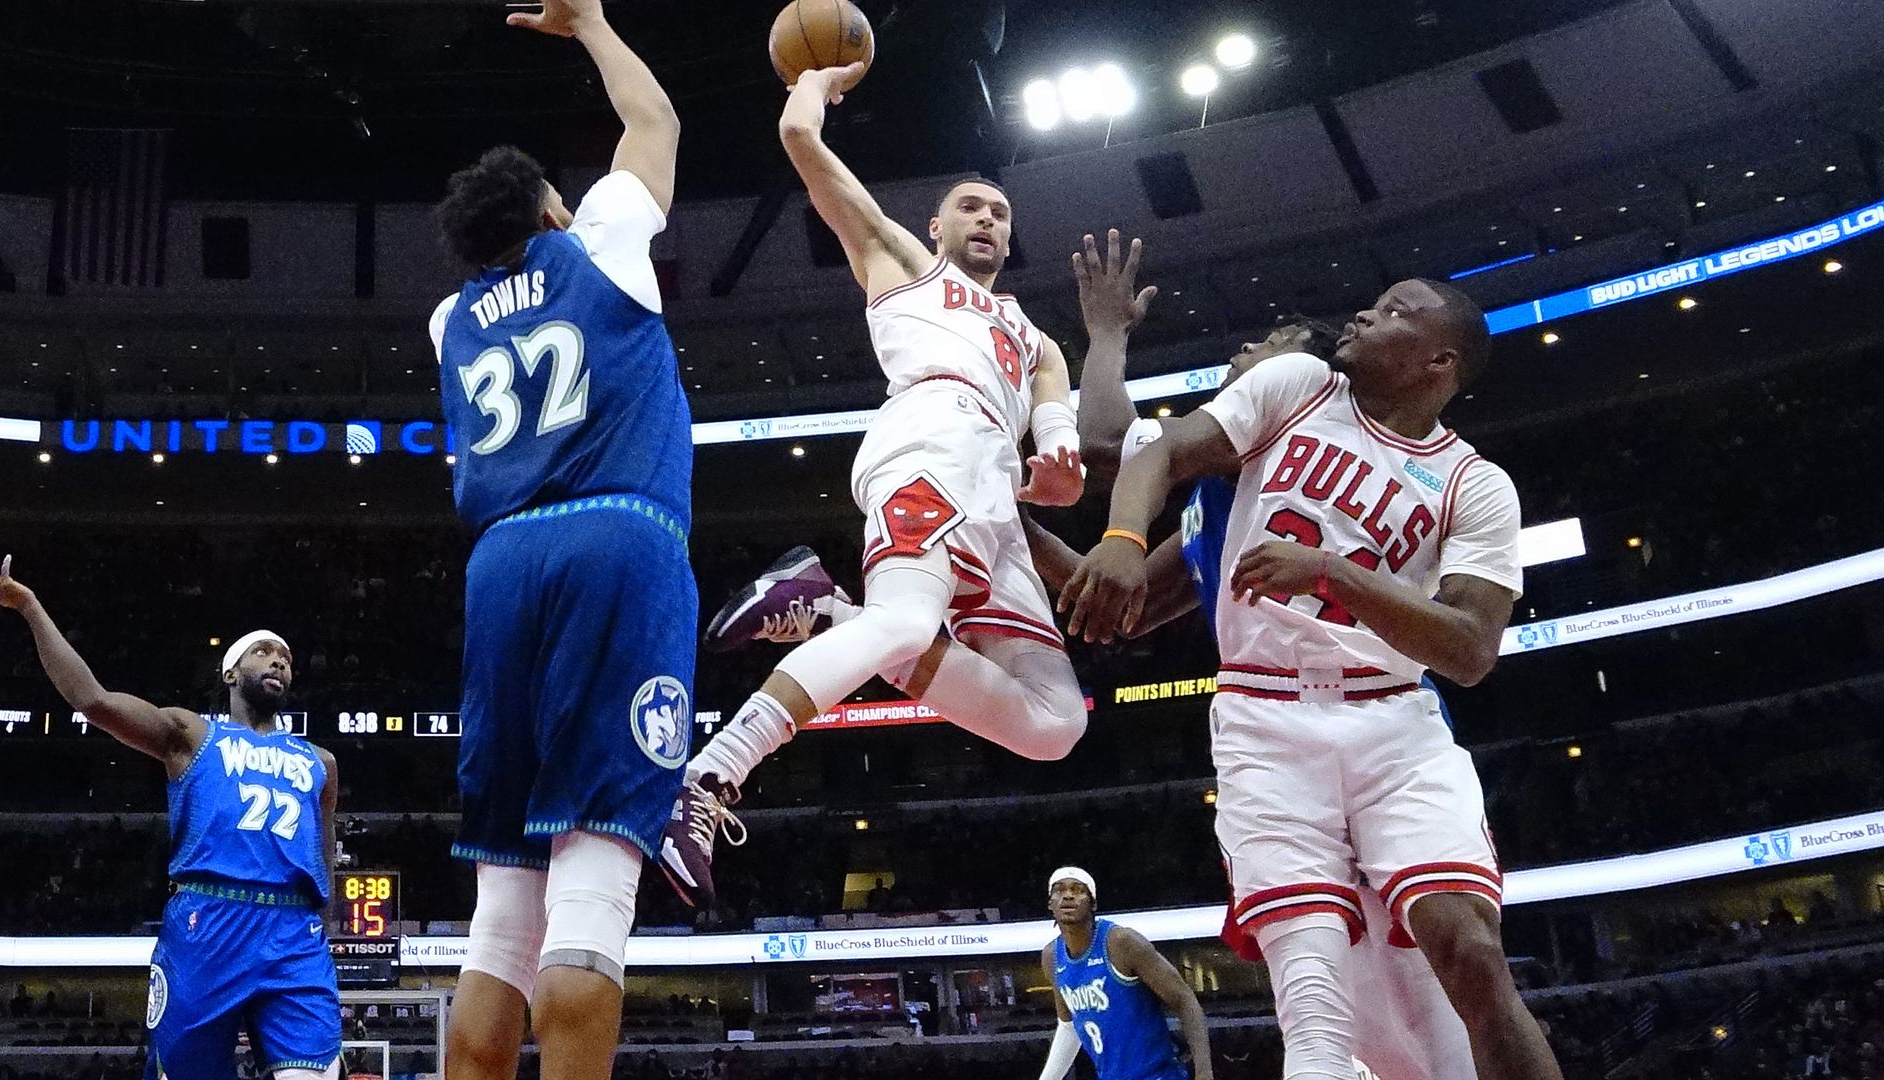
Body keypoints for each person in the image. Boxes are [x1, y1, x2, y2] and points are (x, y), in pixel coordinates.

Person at [1063, 274, 1562, 1079]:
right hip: (1265, 715)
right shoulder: (1296, 388)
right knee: (1316, 996)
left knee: (1471, 951)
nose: (1367, 311)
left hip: (1393, 721)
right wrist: (1120, 535)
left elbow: (1471, 650)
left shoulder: (1476, 485)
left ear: (1439, 363)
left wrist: (1332, 571)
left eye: (1398, 310)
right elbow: (1146, 450)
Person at [665, 61, 1090, 911]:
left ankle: (829, 615)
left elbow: (1059, 443)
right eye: (971, 207)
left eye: (1001, 214)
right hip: (930, 442)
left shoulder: (1034, 337)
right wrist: (817, 80)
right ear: (935, 226)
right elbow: (798, 140)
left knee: (1054, 725)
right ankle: (710, 773)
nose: (988, 220)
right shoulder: (903, 263)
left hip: (996, 498)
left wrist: (1059, 456)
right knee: (905, 622)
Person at [426, 0, 692, 1075]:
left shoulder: (449, 322)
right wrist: (590, 24)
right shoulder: (600, 243)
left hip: (501, 565)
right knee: (595, 878)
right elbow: (657, 123)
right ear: (550, 208)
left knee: (503, 911)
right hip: (614, 542)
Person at [0, 553, 341, 1080]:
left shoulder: (320, 762)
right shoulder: (192, 734)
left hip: (293, 933)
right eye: (263, 652)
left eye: (286, 657)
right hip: (209, 921)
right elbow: (93, 700)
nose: (279, 661)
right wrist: (30, 606)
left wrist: (322, 922)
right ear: (230, 672)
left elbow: (324, 852)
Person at [1040, 867, 1212, 1080]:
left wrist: (1204, 1073)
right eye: (1059, 890)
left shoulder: (1121, 942)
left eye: (1078, 889)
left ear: (1093, 903)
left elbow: (1184, 999)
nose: (1067, 895)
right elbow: (1068, 1027)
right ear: (1050, 903)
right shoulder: (1051, 957)